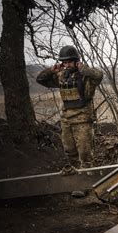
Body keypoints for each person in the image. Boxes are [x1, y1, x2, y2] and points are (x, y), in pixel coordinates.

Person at [37, 45, 103, 174]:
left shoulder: (86, 77)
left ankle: (86, 181)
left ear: (76, 61)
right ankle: (76, 179)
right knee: (70, 151)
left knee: (85, 153)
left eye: (69, 62)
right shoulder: (61, 76)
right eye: (64, 62)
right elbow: (40, 79)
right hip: (66, 118)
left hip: (83, 118)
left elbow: (99, 75)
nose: (66, 65)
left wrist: (84, 69)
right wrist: (52, 70)